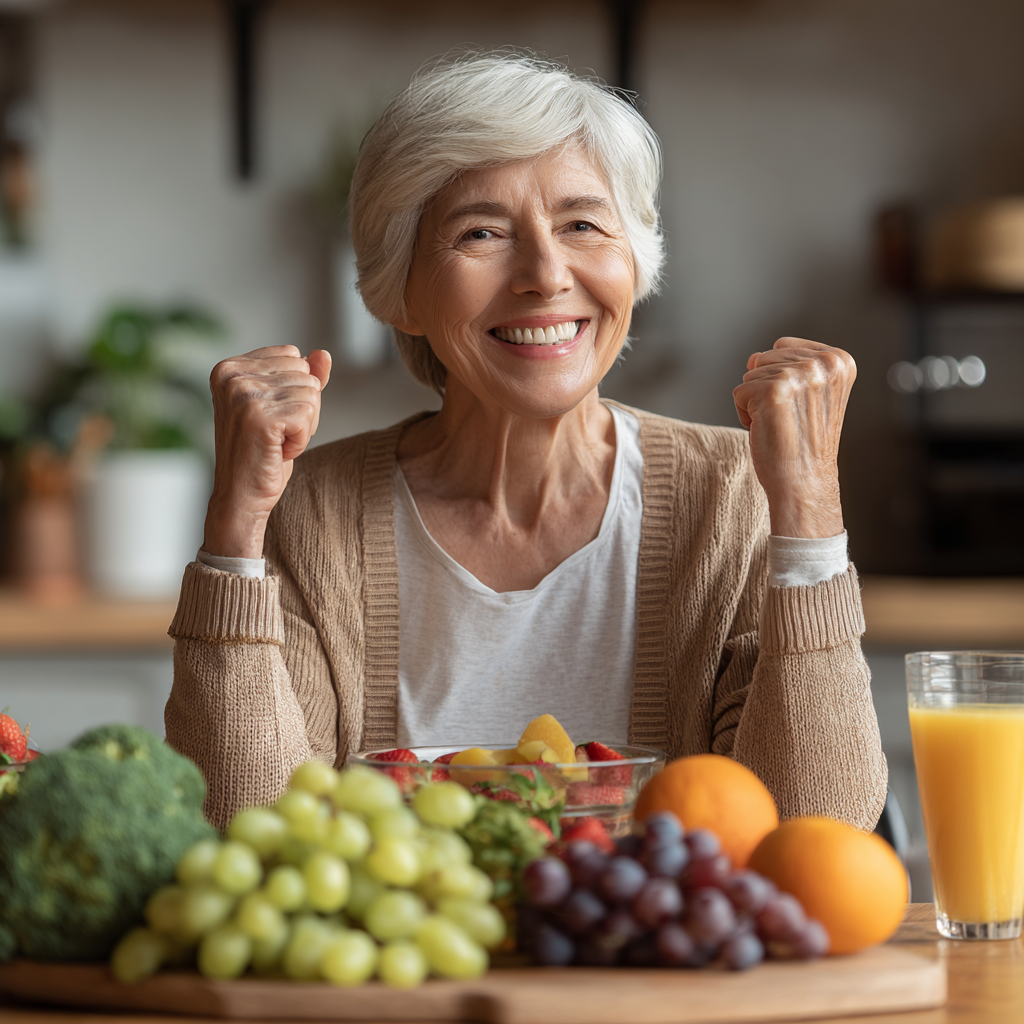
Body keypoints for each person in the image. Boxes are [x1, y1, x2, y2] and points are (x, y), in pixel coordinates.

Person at [166, 53, 886, 830]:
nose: (545, 273)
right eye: (481, 232)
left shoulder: (736, 492)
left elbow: (817, 834)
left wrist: (809, 511)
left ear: (634, 262)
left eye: (582, 224)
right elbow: (248, 830)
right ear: (402, 290)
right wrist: (235, 531)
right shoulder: (311, 511)